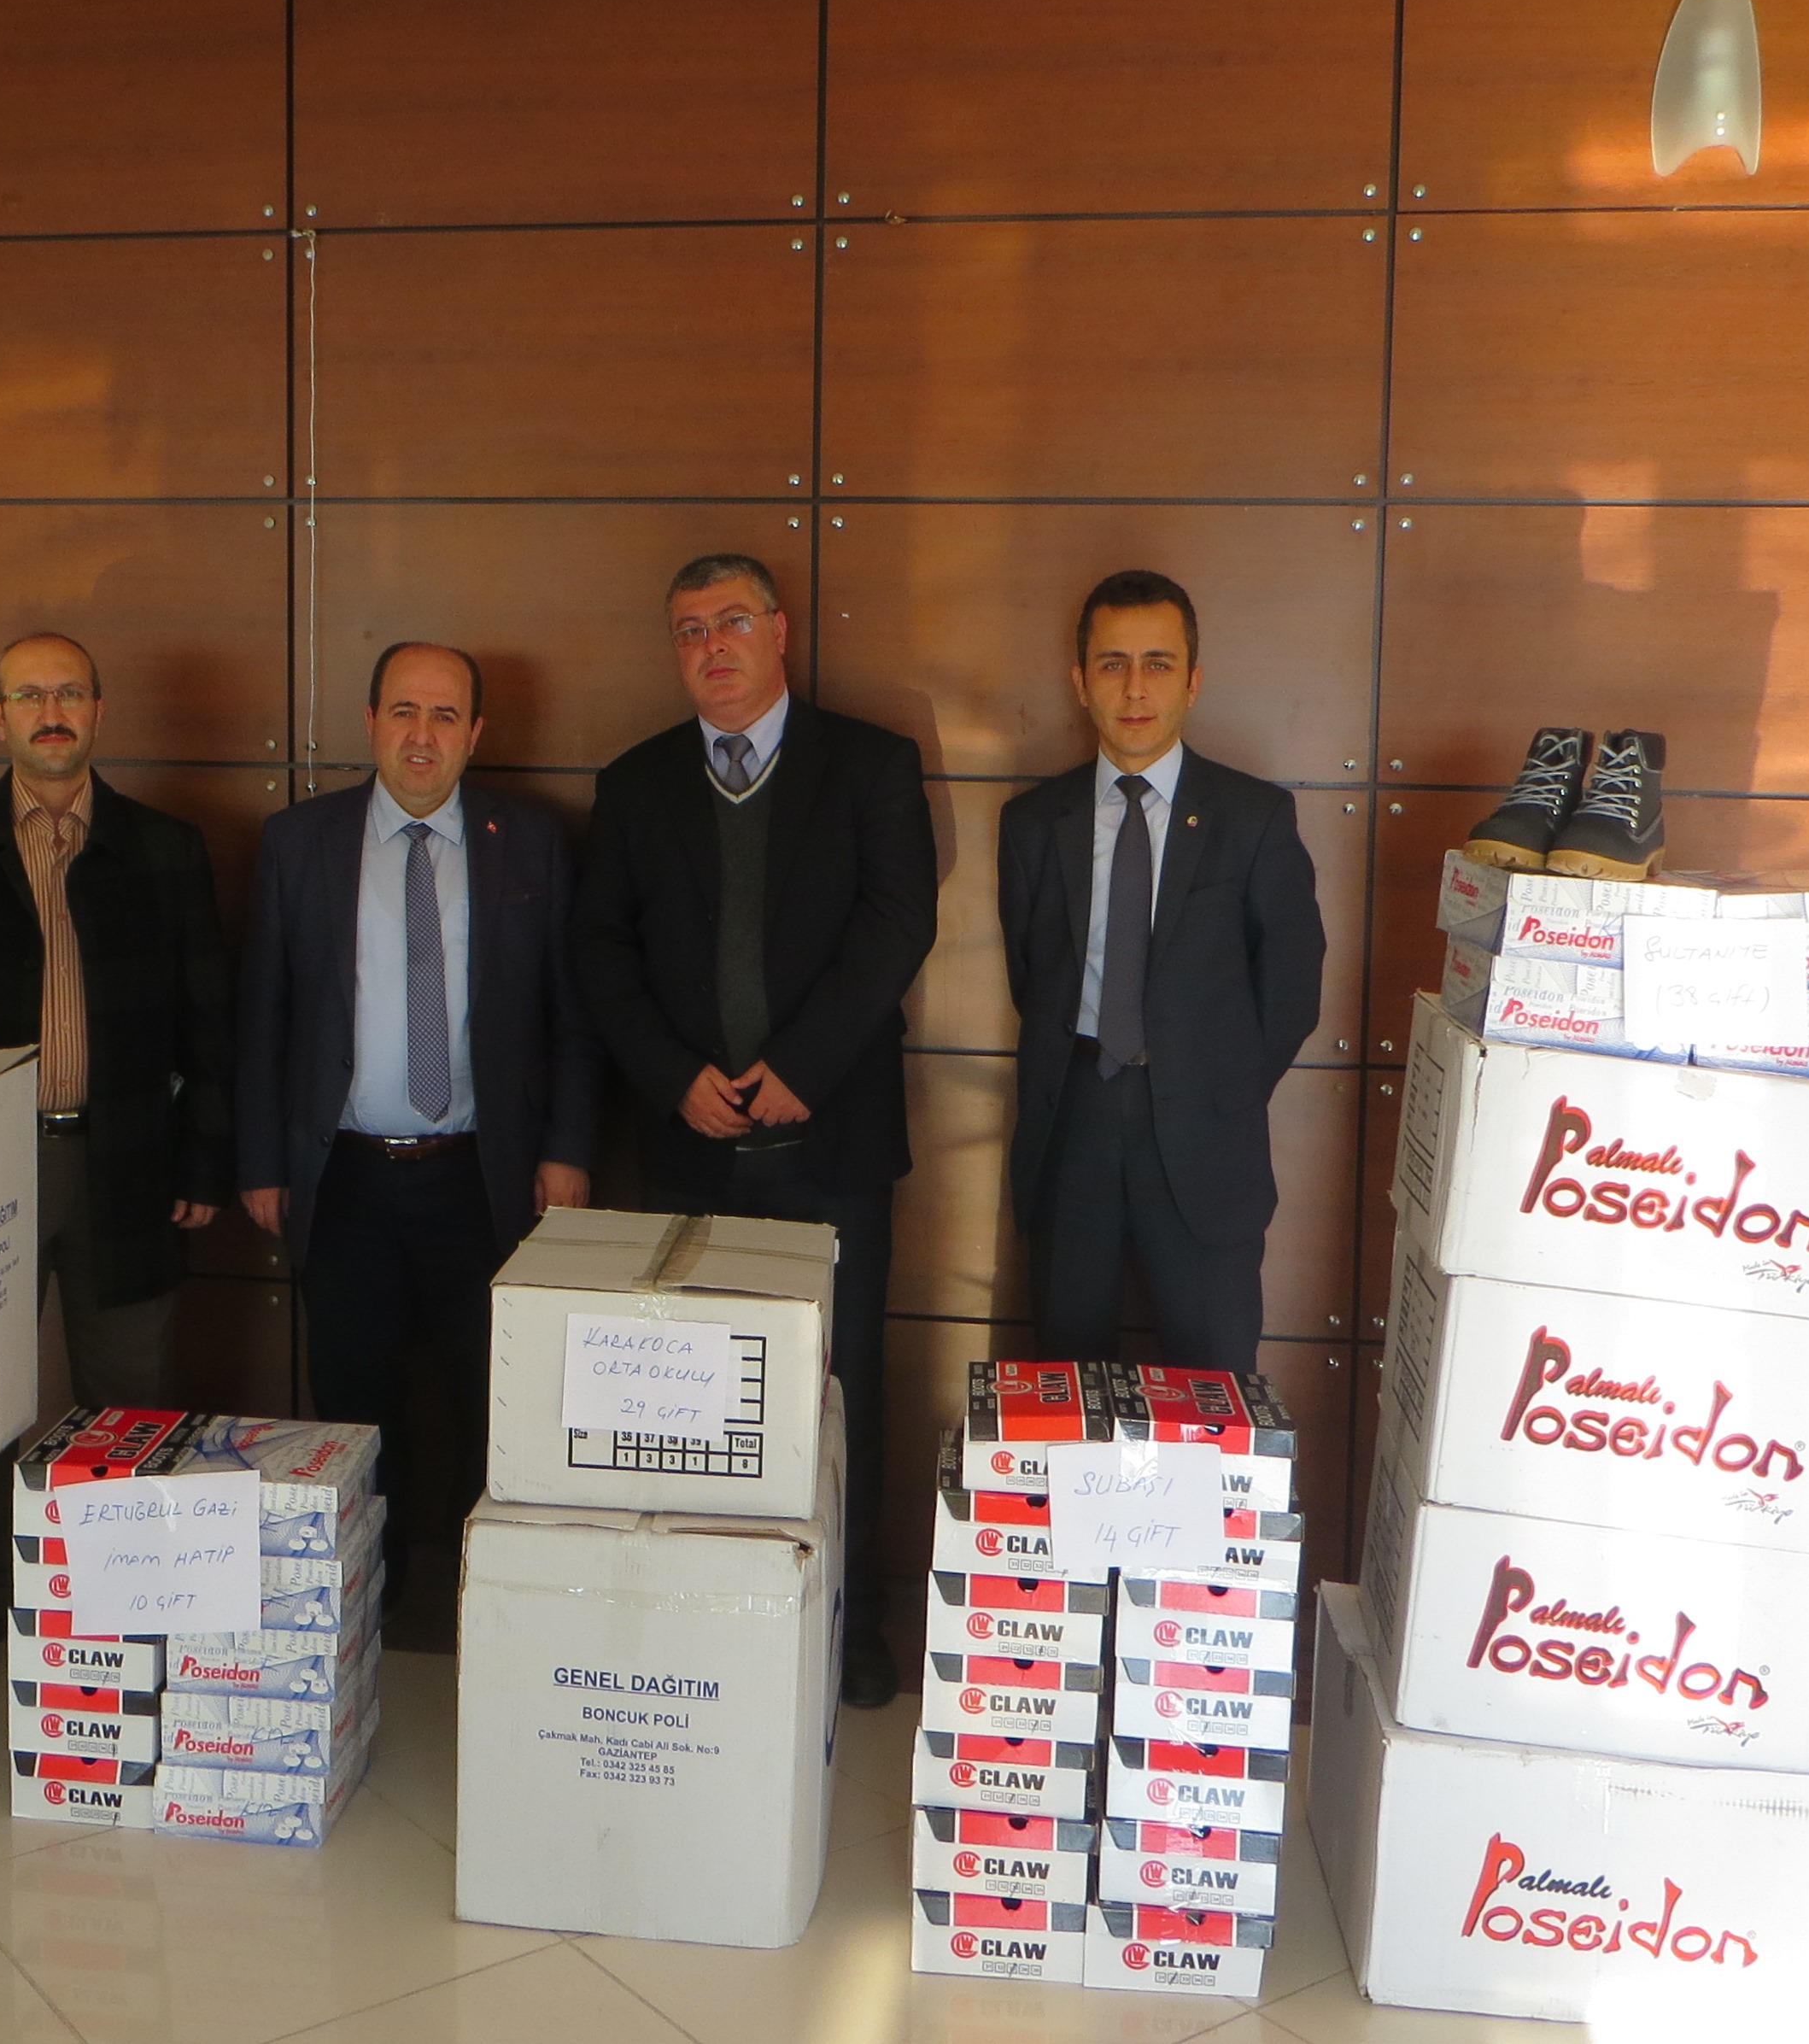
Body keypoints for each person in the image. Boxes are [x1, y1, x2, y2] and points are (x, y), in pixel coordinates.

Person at [572, 553, 937, 1709]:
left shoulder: (871, 764)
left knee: (840, 1389)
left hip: (832, 1139)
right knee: (697, 1397)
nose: (711, 645)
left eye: (731, 620)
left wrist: (805, 1068)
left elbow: (898, 923)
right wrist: (670, 1075)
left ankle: (850, 1625)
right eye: (688, 629)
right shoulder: (635, 783)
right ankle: (714, 1623)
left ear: (780, 632)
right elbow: (600, 950)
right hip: (690, 1144)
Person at [0, 633, 236, 1667]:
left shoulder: (165, 848)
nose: (51, 710)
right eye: (28, 694)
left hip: (128, 1161)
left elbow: (211, 1021)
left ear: (99, 710)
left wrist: (204, 1160)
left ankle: (122, 1616)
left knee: (129, 1397)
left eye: (69, 691)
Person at [238, 642, 600, 1590]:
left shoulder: (530, 842)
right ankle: (372, 1595)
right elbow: (264, 1012)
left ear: (475, 733)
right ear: (370, 722)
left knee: (498, 1399)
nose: (422, 735)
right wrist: (261, 1161)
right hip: (345, 1177)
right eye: (404, 710)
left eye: (445, 716)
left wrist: (567, 1148)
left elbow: (572, 1012)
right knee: (355, 1406)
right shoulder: (300, 842)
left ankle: (496, 1596)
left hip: (484, 1174)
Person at [997, 570, 1326, 1377]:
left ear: (1193, 681)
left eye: (1158, 663)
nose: (1135, 688)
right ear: (1081, 682)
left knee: (1213, 1383)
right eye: (1112, 664)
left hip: (1206, 1134)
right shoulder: (1033, 822)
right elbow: (1032, 974)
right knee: (1067, 1385)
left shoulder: (1253, 817)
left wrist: (1218, 1088)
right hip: (1071, 1121)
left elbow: (1291, 986)